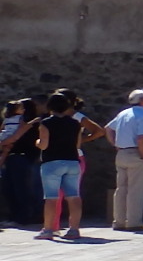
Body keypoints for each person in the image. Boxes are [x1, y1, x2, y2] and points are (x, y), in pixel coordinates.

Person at [36, 92, 106, 240]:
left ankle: (48, 230)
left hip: (52, 162)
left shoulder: (46, 123)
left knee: (51, 198)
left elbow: (44, 145)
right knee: (74, 196)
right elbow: (77, 145)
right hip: (73, 162)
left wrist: (37, 142)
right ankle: (74, 229)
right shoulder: (75, 124)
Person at [105, 89, 143, 232]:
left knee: (121, 189)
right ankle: (134, 222)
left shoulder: (123, 113)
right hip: (135, 152)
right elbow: (142, 138)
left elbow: (108, 129)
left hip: (121, 152)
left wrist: (115, 144)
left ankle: (119, 221)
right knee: (136, 189)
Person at [1, 97, 44, 228]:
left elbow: (15, 137)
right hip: (15, 157)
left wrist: (3, 144)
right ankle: (17, 216)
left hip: (20, 157)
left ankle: (21, 217)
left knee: (18, 188)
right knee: (12, 188)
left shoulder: (28, 124)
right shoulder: (20, 122)